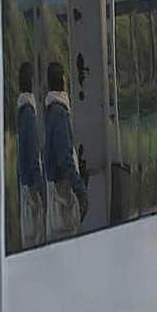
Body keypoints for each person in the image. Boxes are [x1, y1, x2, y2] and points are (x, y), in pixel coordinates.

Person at [43, 61, 88, 239]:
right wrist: (80, 190)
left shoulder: (50, 113)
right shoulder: (59, 114)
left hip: (55, 192)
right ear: (63, 80)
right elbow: (65, 158)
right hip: (63, 195)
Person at [16, 61, 45, 249]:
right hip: (31, 191)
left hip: (25, 187)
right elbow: (33, 156)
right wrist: (41, 190)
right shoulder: (29, 115)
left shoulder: (21, 112)